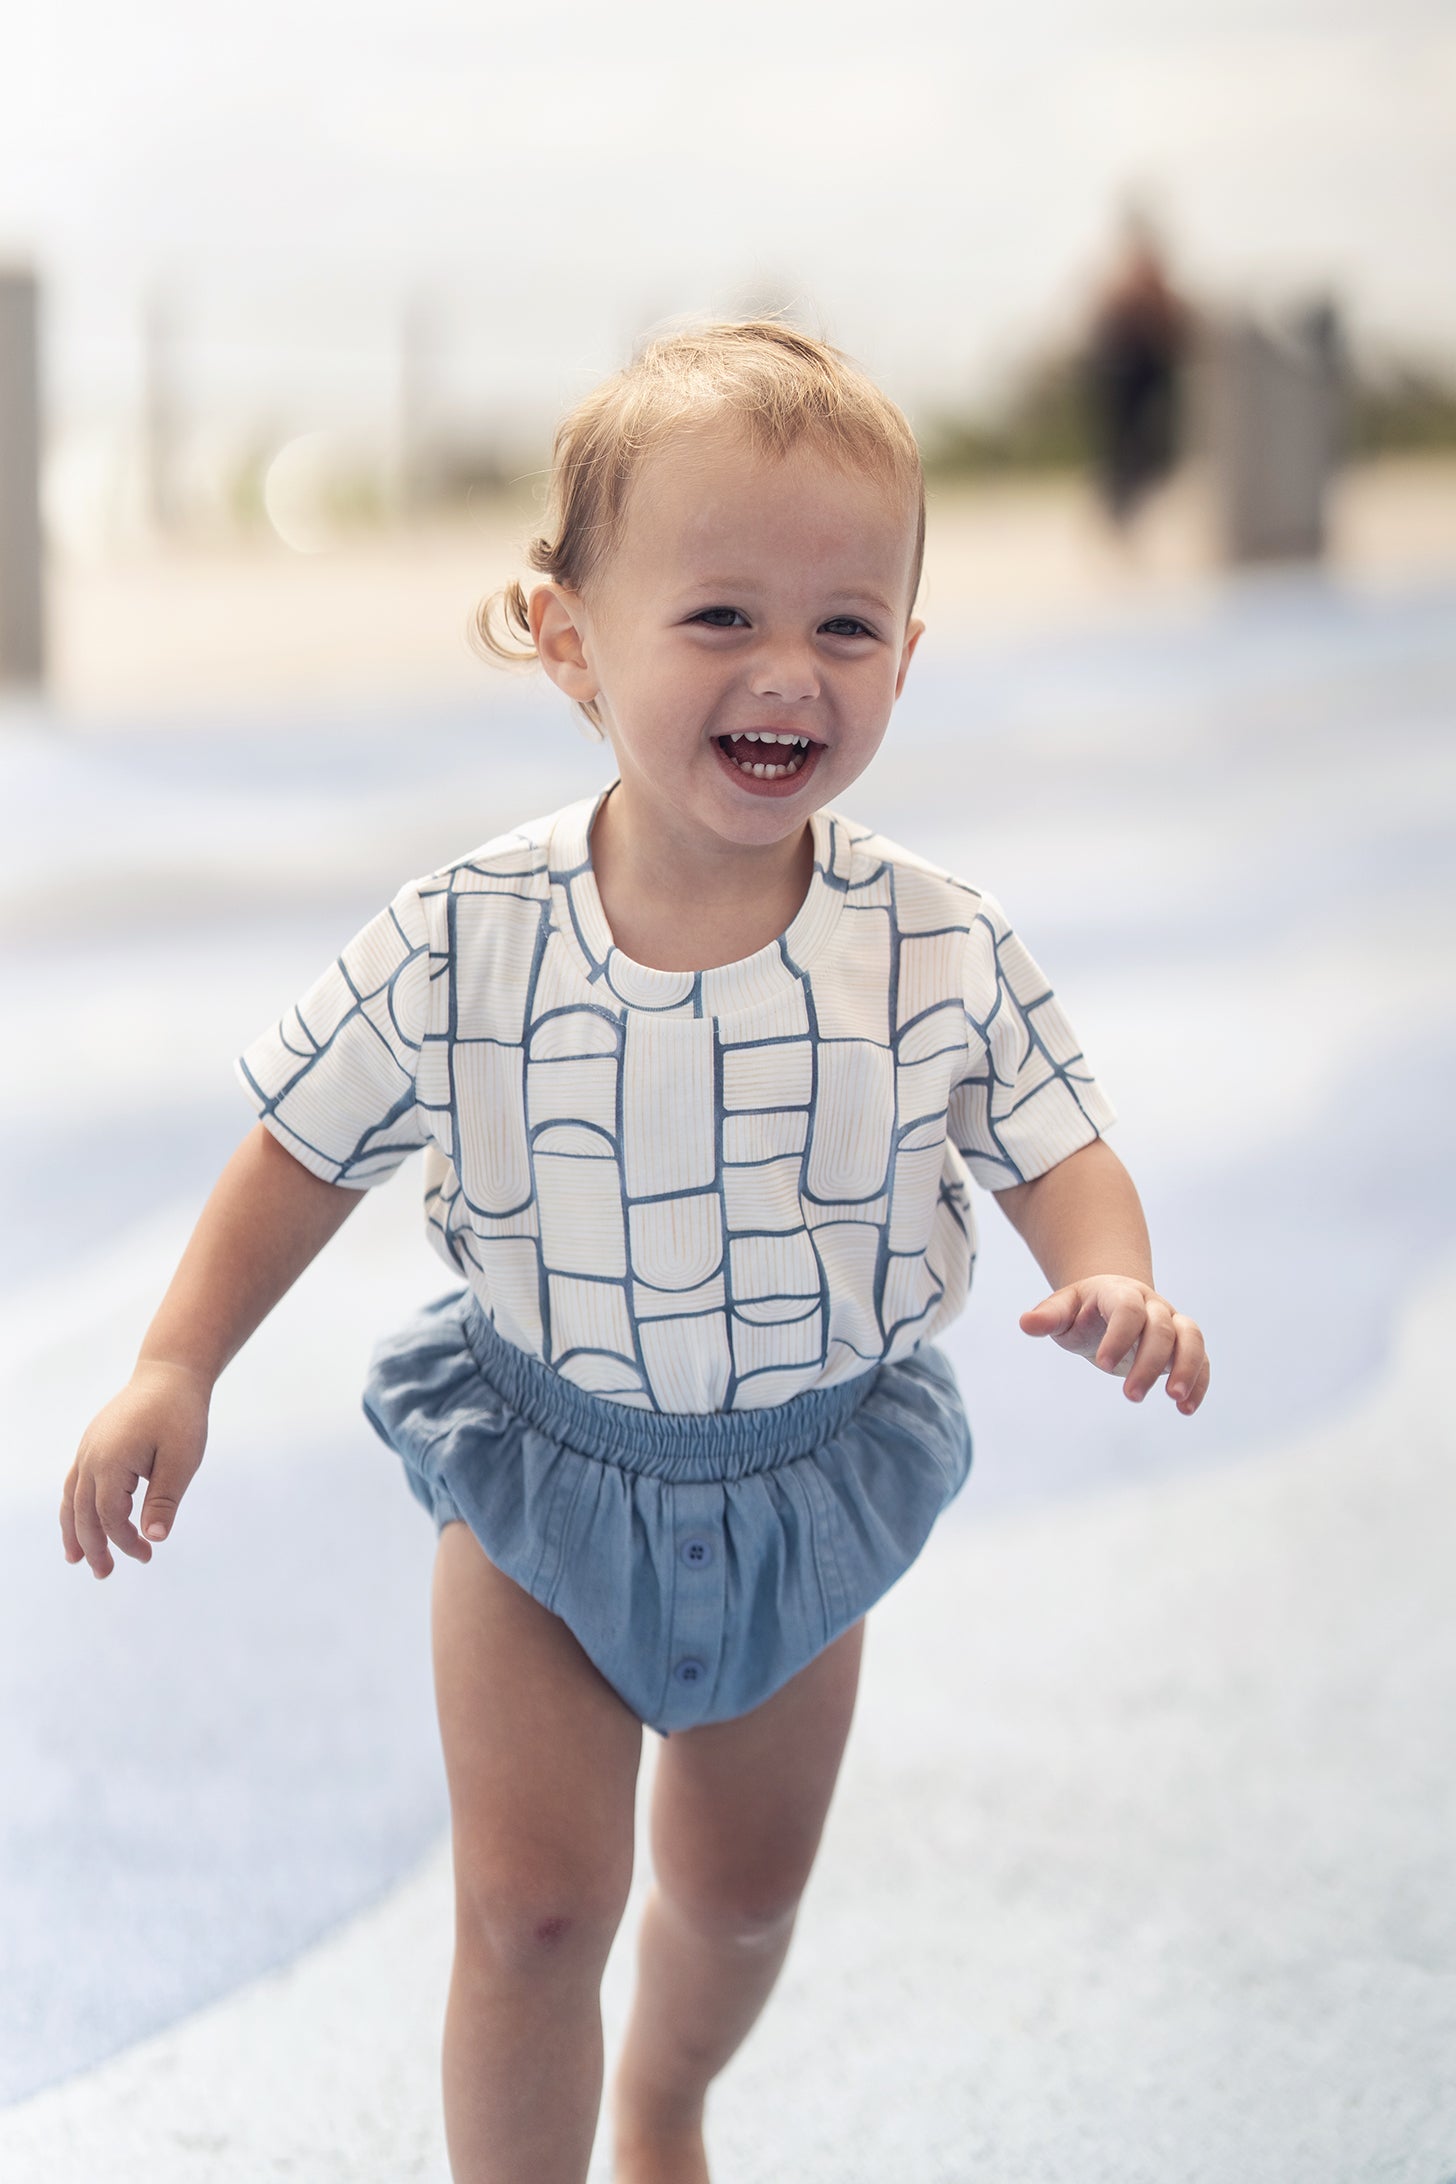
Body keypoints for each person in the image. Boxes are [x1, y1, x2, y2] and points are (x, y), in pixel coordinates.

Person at [60, 322, 1209, 2184]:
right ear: (566, 636)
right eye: (720, 616)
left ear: (906, 658)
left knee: (738, 1901)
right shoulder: (468, 933)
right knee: (528, 1908)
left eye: (848, 626)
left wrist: (1117, 1268)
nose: (789, 669)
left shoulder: (932, 944)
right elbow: (298, 1147)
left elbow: (1060, 1146)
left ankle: (667, 2099)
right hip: (539, 1472)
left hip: (807, 1477)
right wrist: (179, 1356)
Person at [1083, 210, 1192, 530]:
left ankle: (1125, 508)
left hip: (1152, 376)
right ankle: (1118, 512)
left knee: (1156, 454)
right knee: (1123, 455)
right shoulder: (1119, 283)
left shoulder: (1153, 283)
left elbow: (1175, 329)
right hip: (1123, 377)